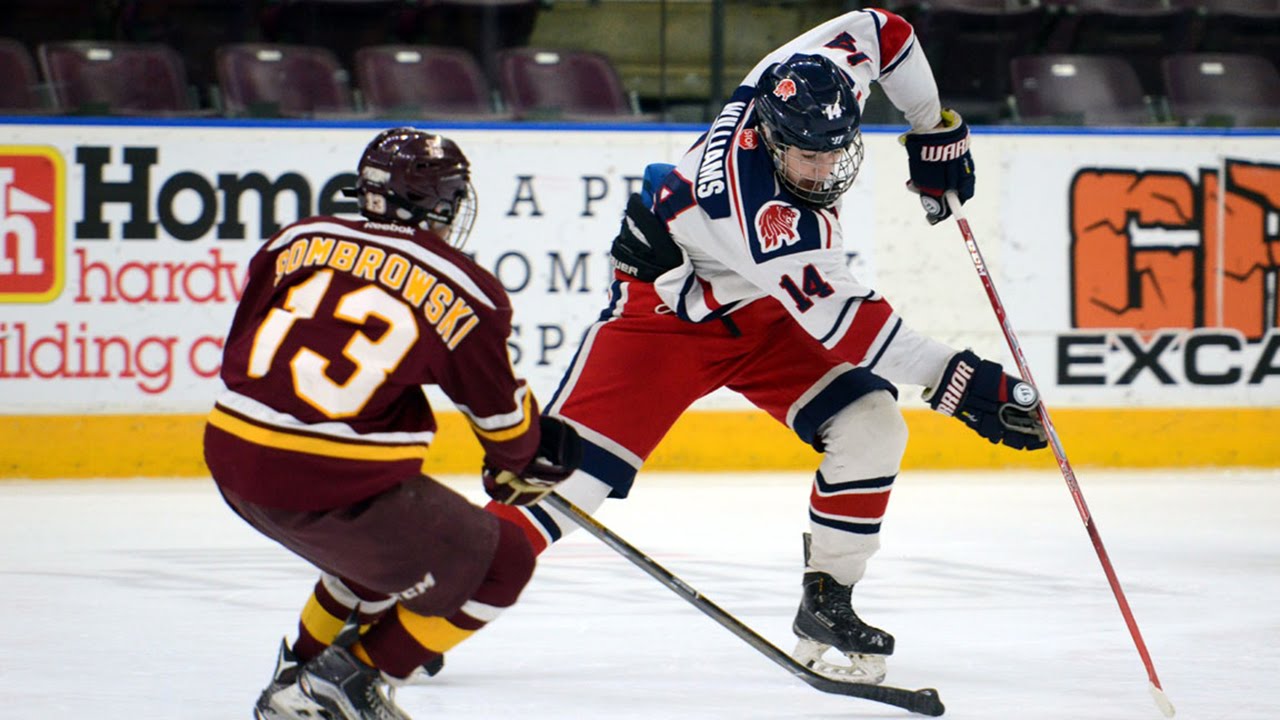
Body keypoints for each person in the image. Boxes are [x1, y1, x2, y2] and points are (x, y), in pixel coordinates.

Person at [484, 11, 1048, 685]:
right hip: (666, 320)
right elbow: (859, 331)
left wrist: (932, 128)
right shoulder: (759, 216)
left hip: (767, 312)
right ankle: (423, 595)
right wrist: (962, 383)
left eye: (836, 151)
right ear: (772, 140)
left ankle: (827, 602)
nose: (824, 169)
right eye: (808, 157)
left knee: (871, 426)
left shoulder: (808, 78)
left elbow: (884, 30)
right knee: (568, 480)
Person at [203, 127, 581, 720]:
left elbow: (242, 347)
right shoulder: (463, 285)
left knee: (379, 562)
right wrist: (522, 461)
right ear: (440, 202)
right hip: (324, 479)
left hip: (230, 455)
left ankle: (298, 677)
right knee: (505, 562)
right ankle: (346, 684)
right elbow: (502, 424)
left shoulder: (296, 239)